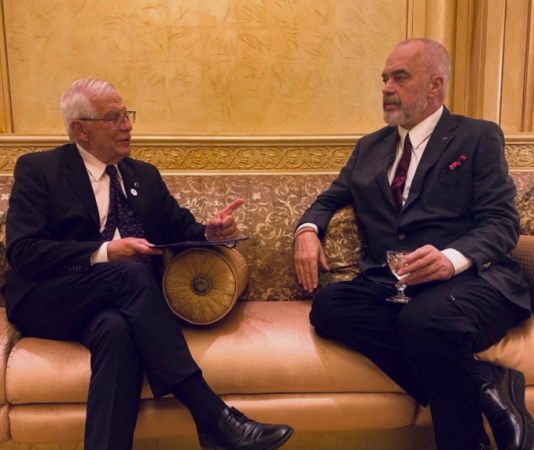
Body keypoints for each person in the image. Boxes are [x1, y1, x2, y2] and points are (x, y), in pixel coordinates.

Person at [4, 79, 293, 450]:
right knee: (129, 273)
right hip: (48, 298)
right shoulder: (40, 170)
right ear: (81, 129)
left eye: (127, 115)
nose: (127, 126)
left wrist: (210, 233)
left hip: (115, 305)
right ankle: (211, 415)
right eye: (114, 118)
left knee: (115, 331)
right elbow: (24, 252)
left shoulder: (143, 175)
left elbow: (179, 228)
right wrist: (106, 251)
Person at [294, 38, 533, 450]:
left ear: (435, 85)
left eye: (400, 78)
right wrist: (307, 231)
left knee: (424, 322)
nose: (387, 87)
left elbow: (501, 221)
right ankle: (484, 382)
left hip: (469, 282)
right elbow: (328, 200)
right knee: (330, 308)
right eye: (385, 78)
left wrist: (451, 259)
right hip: (393, 282)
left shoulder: (477, 137)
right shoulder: (369, 147)